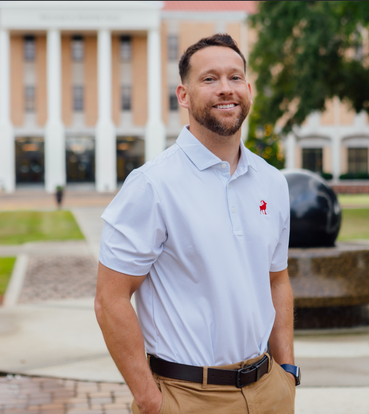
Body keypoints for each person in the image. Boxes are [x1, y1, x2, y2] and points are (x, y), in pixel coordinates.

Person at [95, 34, 299, 414]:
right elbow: (110, 299)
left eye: (235, 78)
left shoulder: (273, 182)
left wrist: (286, 371)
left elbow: (277, 279)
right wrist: (150, 400)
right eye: (209, 79)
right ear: (184, 95)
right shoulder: (151, 185)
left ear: (249, 89)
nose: (226, 89)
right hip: (187, 396)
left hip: (270, 390)